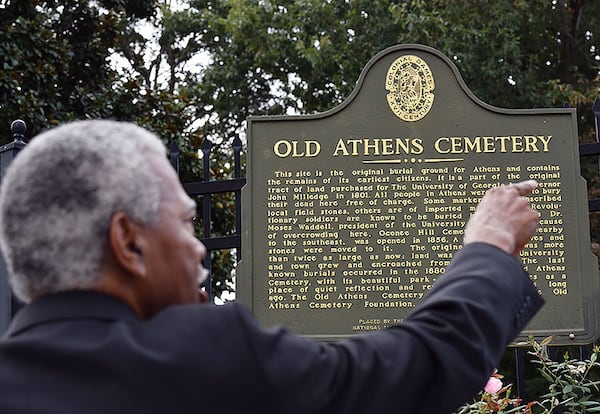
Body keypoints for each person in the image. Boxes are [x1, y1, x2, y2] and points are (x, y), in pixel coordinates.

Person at [0, 120, 543, 413]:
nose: (199, 249)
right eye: (186, 223)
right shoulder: (203, 359)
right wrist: (491, 240)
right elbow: (416, 367)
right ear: (128, 241)